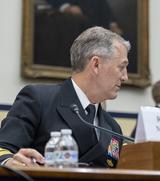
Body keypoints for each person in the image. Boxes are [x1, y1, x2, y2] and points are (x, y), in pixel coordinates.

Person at [0, 26, 130, 168]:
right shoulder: (38, 100)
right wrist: (10, 161)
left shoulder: (112, 127)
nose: (125, 77)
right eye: (121, 67)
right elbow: (4, 149)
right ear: (96, 64)